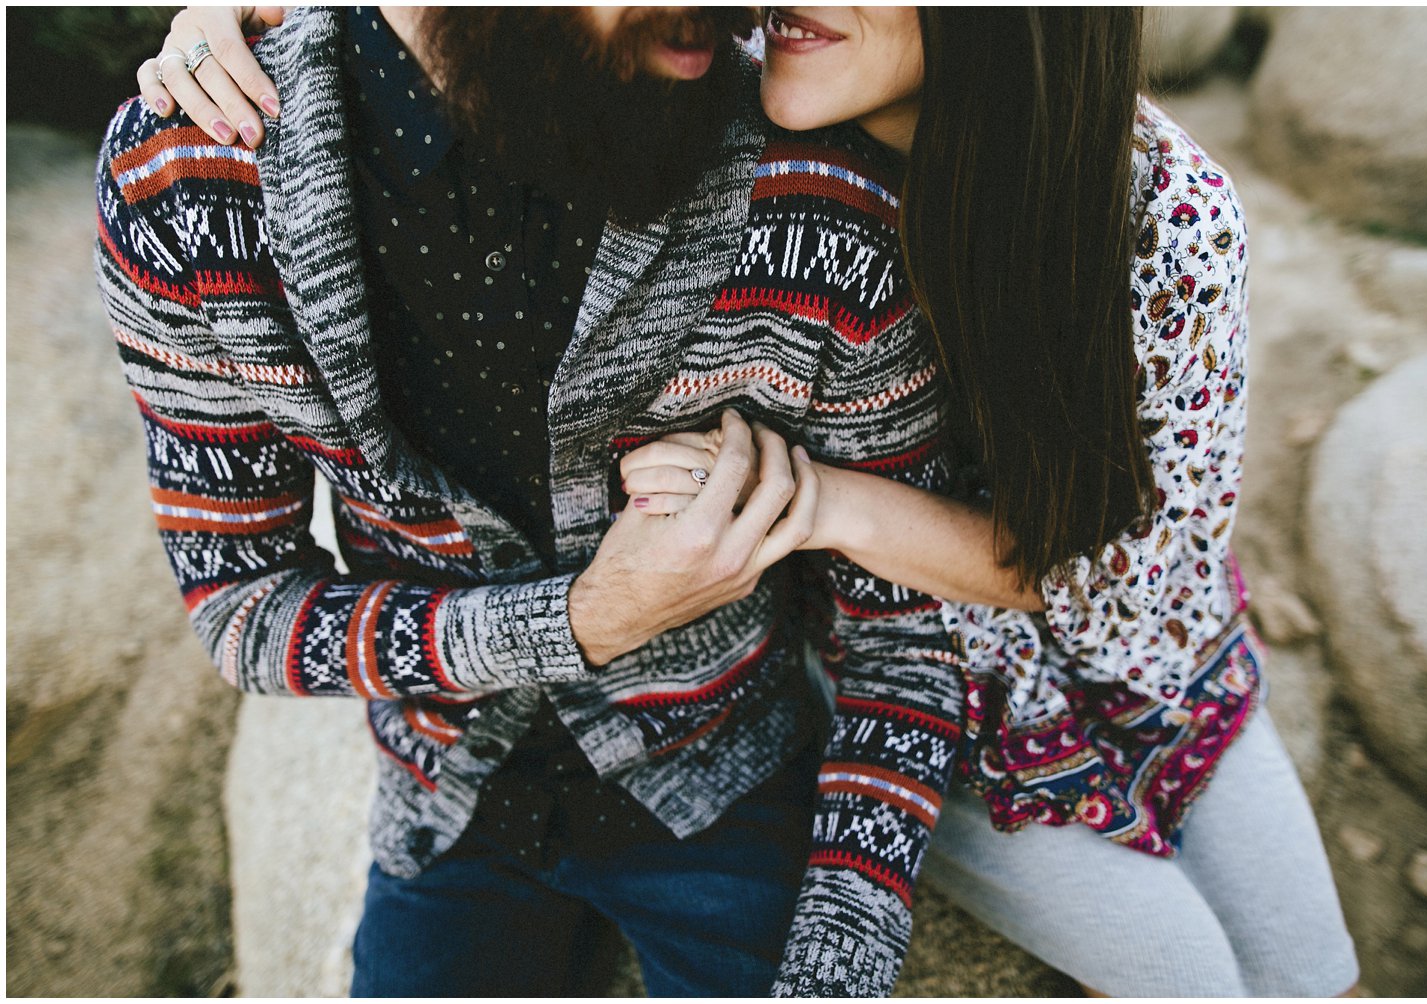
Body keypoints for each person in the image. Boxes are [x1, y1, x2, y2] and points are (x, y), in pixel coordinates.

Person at [145, 5, 1361, 997]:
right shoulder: (719, 92)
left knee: (1303, 967)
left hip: (1118, 649)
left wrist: (824, 500)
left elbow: (1127, 571)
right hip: (788, 679)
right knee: (1191, 970)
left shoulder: (1156, 217)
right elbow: (492, 48)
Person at [105, 6, 962, 996]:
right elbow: (241, 609)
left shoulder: (818, 187)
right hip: (448, 797)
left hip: (733, 775)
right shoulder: (186, 175)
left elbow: (905, 633)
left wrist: (835, 963)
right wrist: (584, 620)